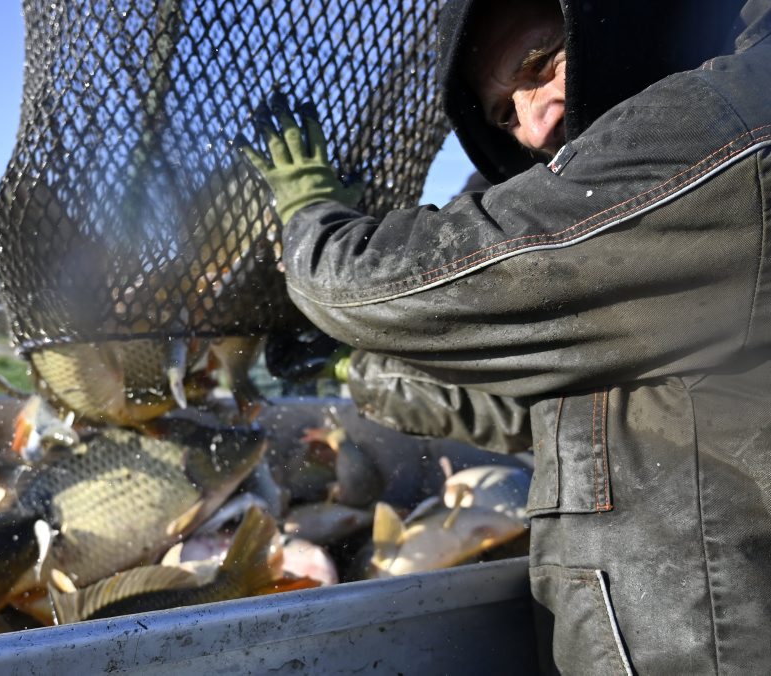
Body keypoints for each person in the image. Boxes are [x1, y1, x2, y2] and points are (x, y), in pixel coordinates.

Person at [237, 0, 771, 673]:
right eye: (503, 114)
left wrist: (312, 216)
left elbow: (394, 285)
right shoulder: (643, 291)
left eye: (541, 64)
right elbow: (529, 406)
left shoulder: (736, 113)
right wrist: (355, 367)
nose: (534, 125)